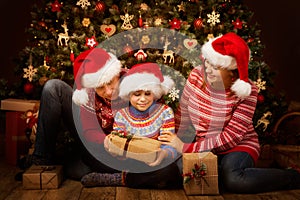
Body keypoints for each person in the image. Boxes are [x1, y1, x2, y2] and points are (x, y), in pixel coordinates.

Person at [158, 32, 300, 193]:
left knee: (234, 180)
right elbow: (182, 114)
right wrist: (171, 142)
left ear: (233, 73)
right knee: (184, 169)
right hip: (205, 147)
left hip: (238, 146)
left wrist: (185, 147)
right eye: (208, 64)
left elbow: (231, 138)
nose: (208, 70)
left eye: (216, 67)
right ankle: (217, 173)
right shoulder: (197, 76)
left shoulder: (247, 91)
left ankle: (293, 176)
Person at [23, 47, 181, 189]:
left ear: (117, 73)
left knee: (172, 169)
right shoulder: (87, 93)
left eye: (111, 83)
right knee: (53, 87)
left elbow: (159, 113)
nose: (108, 91)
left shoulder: (135, 82)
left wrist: (162, 149)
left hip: (134, 149)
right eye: (100, 87)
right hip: (100, 146)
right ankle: (41, 159)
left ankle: (119, 177)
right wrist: (106, 141)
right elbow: (89, 131)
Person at [81, 62, 182, 188]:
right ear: (129, 95)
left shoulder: (165, 112)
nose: (142, 99)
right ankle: (139, 179)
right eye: (137, 94)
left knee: (170, 170)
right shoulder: (122, 115)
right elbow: (118, 140)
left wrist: (164, 154)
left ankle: (120, 179)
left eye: (148, 94)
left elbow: (169, 144)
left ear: (155, 94)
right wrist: (116, 150)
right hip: (128, 160)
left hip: (154, 159)